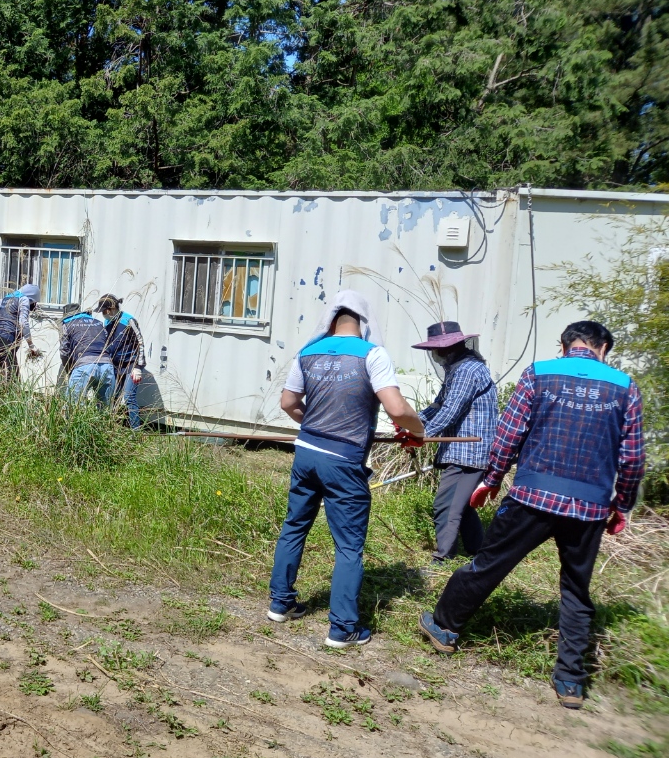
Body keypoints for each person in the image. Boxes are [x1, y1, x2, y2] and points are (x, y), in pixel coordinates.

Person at [420, 321, 645, 709]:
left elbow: (509, 435)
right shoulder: (625, 387)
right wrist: (620, 506)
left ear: (563, 345)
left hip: (532, 498)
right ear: (603, 348)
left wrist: (490, 480)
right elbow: (632, 458)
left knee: (488, 564)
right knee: (576, 590)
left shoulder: (538, 374)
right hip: (589, 507)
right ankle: (571, 682)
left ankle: (444, 627)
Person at [269, 290, 425, 648]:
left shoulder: (307, 353)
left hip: (306, 452)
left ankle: (280, 604)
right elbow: (397, 410)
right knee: (349, 546)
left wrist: (316, 423)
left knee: (294, 526)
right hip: (344, 460)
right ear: (365, 322)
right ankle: (343, 628)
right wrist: (419, 431)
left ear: (331, 318)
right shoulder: (373, 355)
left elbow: (288, 403)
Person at [413, 321, 498, 562]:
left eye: (437, 349)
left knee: (446, 505)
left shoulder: (467, 371)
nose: (436, 355)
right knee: (463, 506)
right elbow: (438, 404)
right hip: (462, 449)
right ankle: (478, 553)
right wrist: (412, 422)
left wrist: (422, 435)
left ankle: (442, 558)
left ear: (449, 348)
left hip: (469, 451)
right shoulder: (458, 370)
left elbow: (451, 410)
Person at [98, 294, 147, 428]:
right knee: (112, 396)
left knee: (129, 397)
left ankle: (135, 431)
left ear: (111, 309)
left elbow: (140, 343)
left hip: (131, 364)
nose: (103, 314)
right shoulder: (107, 322)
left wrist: (138, 366)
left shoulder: (128, 321)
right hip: (114, 365)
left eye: (104, 311)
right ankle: (110, 427)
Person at [59, 303, 115, 405]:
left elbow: (64, 351)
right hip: (107, 366)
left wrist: (69, 370)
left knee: (73, 406)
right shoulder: (98, 323)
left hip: (84, 366)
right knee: (104, 408)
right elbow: (109, 344)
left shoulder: (67, 324)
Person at [0, 283, 40, 381]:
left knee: (0, 378)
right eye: (34, 303)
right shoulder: (24, 299)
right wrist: (31, 345)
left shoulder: (7, 298)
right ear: (31, 298)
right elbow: (23, 322)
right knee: (12, 380)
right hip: (5, 341)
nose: (34, 306)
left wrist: (2, 322)